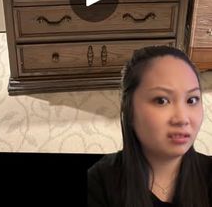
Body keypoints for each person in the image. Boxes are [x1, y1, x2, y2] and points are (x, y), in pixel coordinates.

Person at [88, 45, 212, 207]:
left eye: (192, 100)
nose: (182, 119)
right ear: (130, 109)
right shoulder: (99, 181)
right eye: (161, 100)